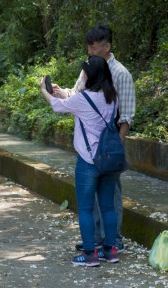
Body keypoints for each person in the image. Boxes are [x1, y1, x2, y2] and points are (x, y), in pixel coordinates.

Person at [53, 25, 135, 253]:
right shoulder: (89, 68)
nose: (89, 49)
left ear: (106, 46)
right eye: (88, 45)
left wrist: (117, 145)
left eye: (93, 45)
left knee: (111, 194)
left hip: (109, 143)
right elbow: (80, 96)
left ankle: (114, 239)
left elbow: (126, 115)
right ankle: (99, 239)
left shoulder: (120, 73)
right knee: (95, 194)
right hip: (88, 144)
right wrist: (62, 93)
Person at [41, 55, 120, 266]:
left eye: (84, 73)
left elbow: (58, 106)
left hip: (88, 160)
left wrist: (44, 91)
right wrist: (61, 92)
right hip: (109, 160)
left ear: (90, 76)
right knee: (108, 207)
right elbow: (68, 100)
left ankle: (89, 255)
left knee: (85, 208)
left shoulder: (84, 98)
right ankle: (110, 251)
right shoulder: (113, 97)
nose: (82, 76)